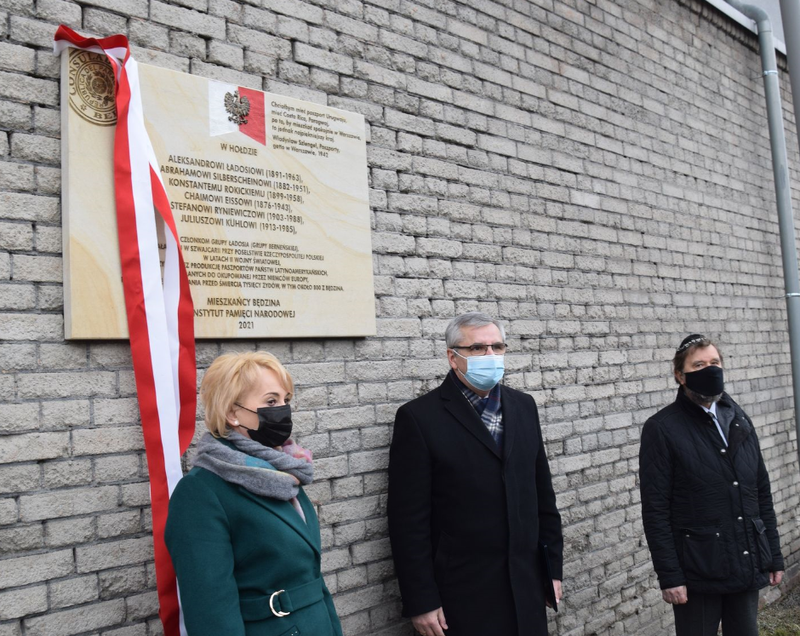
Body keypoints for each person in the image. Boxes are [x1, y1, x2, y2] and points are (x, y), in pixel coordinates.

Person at [388, 312, 564, 636]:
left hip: (526, 587)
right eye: (478, 348)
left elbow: (542, 496)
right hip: (462, 596)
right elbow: (407, 521)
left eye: (497, 346)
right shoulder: (419, 418)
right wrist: (421, 599)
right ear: (453, 357)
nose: (490, 356)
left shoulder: (524, 407)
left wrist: (551, 570)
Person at [165, 351, 342, 636]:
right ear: (232, 413)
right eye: (271, 401)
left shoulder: (283, 472)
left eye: (286, 400)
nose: (282, 409)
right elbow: (210, 611)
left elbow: (310, 578)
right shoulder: (201, 493)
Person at [639, 334, 785, 636]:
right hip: (698, 570)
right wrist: (670, 576)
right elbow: (655, 511)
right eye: (699, 364)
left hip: (745, 560)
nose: (709, 369)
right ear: (680, 375)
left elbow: (760, 491)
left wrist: (772, 554)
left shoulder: (738, 419)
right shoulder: (662, 428)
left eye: (714, 362)